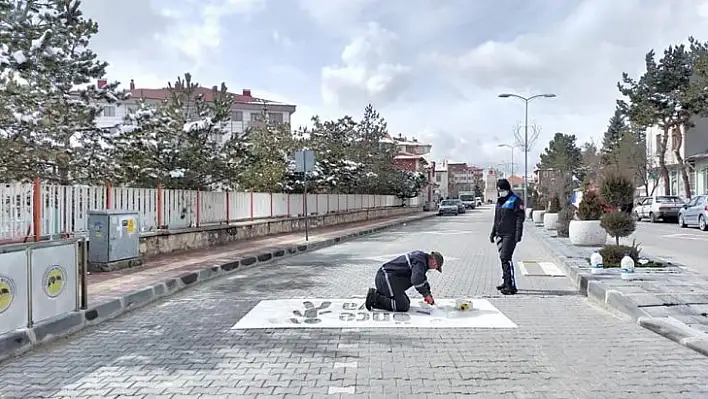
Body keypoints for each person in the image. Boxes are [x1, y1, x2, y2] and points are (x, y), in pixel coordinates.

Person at [365, 251, 444, 312]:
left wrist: (428, 295)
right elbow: (416, 280)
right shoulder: (420, 261)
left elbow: (422, 279)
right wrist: (426, 295)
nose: (434, 268)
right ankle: (375, 298)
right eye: (436, 266)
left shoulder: (421, 259)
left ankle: (379, 294)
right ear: (434, 261)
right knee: (402, 306)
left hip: (388, 279)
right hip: (386, 279)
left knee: (407, 302)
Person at [489, 178, 525, 295]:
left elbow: (520, 218)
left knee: (506, 258)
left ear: (507, 189)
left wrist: (518, 234)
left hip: (510, 234)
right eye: (499, 190)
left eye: (502, 189)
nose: (500, 192)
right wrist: (493, 232)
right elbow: (497, 219)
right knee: (502, 259)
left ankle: (511, 286)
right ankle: (505, 281)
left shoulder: (515, 200)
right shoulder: (500, 201)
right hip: (500, 234)